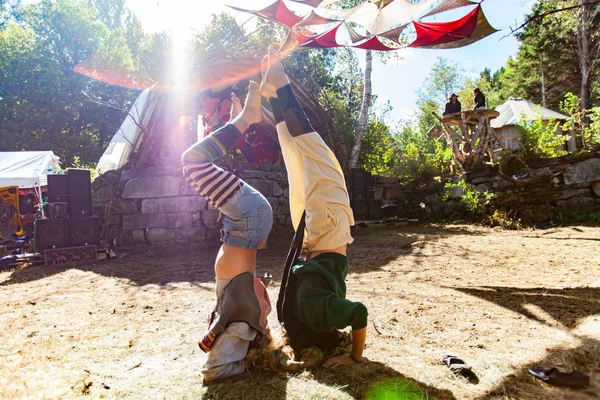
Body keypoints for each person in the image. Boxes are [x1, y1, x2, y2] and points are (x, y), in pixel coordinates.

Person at [260, 50, 368, 368]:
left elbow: (358, 313)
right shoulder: (296, 315)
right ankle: (275, 97)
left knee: (316, 155)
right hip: (311, 238)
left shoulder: (317, 312)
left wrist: (354, 356)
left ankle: (281, 85)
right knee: (298, 156)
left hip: (325, 227)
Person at [181, 82, 273, 381]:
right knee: (193, 161)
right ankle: (243, 119)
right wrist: (245, 359)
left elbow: (213, 369)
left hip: (244, 219)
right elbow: (214, 371)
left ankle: (238, 122)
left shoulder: (235, 311)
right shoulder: (239, 319)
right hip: (247, 216)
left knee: (195, 161)